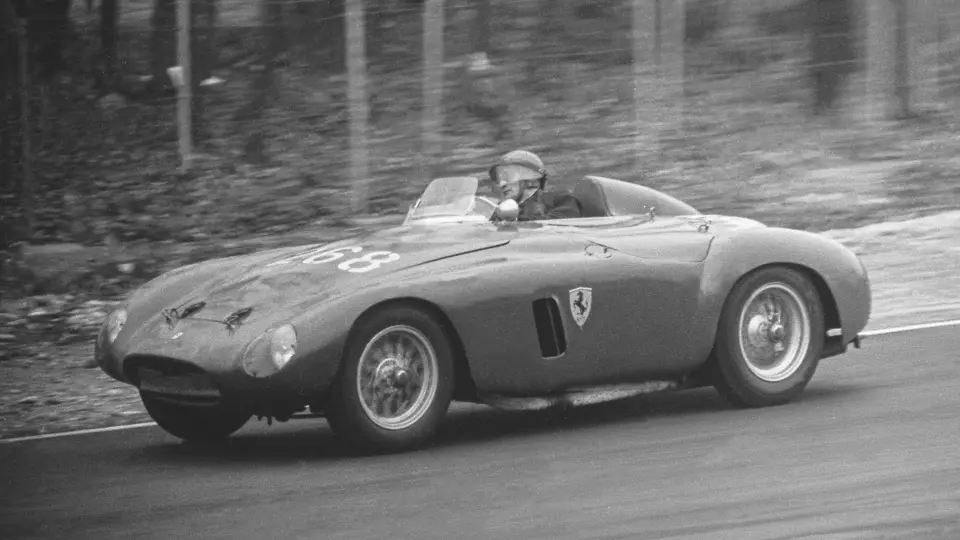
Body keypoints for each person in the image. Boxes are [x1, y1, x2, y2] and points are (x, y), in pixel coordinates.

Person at [488, 150, 582, 221]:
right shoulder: (498, 210)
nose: (502, 184)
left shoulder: (562, 200)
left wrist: (519, 219)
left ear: (531, 180)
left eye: (508, 176)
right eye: (500, 179)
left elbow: (561, 229)